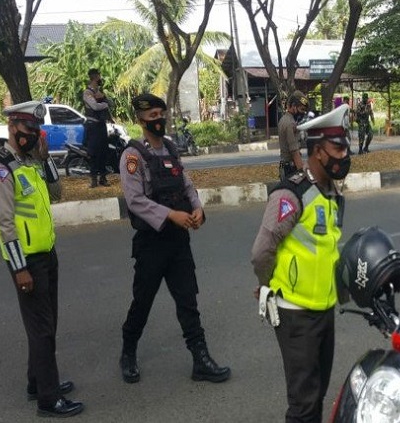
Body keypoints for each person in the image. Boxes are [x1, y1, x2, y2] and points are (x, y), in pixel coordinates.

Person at [118, 93, 230, 385]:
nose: (158, 120)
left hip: (178, 242)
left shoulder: (170, 148)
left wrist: (197, 208)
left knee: (187, 300)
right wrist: (170, 215)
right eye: (152, 117)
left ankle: (200, 359)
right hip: (151, 244)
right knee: (142, 302)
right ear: (140, 120)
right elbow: (135, 200)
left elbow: (186, 184)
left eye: (161, 115)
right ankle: (128, 351)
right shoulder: (133, 156)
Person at [251, 104, 352, 423]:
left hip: (323, 308)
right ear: (319, 151)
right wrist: (267, 286)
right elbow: (262, 251)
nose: (345, 155)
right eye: (338, 148)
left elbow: (328, 250)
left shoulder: (331, 193)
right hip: (295, 313)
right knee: (303, 404)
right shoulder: (291, 194)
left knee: (317, 392)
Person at [0, 100, 83, 418]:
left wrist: (46, 158)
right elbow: (5, 225)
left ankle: (37, 382)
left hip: (46, 254)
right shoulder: (1, 169)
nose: (33, 135)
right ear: (12, 127)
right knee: (42, 330)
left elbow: (56, 194)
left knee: (46, 324)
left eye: (36, 130)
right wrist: (19, 269)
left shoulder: (30, 162)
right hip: (27, 262)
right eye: (28, 129)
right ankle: (48, 399)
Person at [82, 68, 111, 188]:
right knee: (93, 153)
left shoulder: (100, 91)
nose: (100, 78)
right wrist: (105, 104)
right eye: (99, 76)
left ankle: (103, 178)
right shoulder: (87, 92)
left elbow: (108, 104)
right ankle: (94, 180)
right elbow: (94, 106)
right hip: (93, 126)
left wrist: (105, 103)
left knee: (103, 152)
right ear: (94, 77)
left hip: (101, 125)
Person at [278, 91, 309, 181]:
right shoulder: (290, 123)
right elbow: (294, 151)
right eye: (302, 109)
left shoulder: (284, 119)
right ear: (294, 106)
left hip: (286, 166)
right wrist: (302, 173)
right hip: (291, 169)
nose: (303, 113)